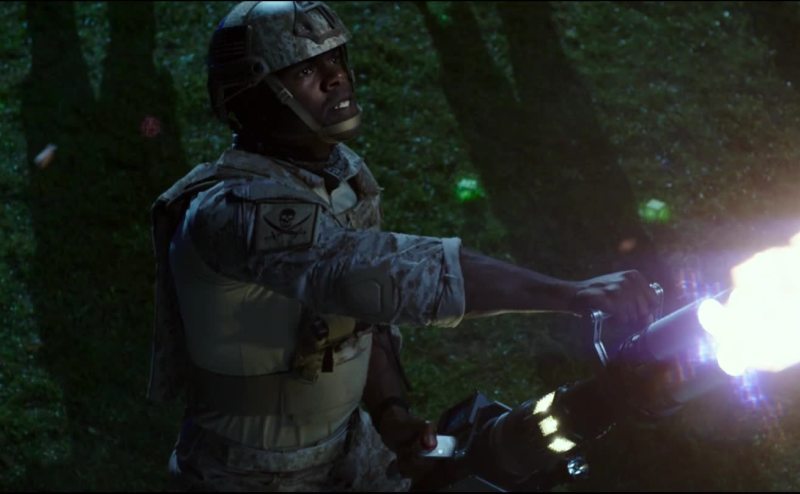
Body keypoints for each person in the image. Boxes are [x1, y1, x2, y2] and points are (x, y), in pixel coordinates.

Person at [147, 1, 660, 491]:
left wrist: (390, 413)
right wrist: (566, 293)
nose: (335, 77)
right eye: (304, 69)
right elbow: (381, 277)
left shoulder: (339, 176)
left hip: (350, 447)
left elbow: (363, 315)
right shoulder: (235, 212)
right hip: (247, 474)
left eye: (335, 57)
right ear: (251, 96)